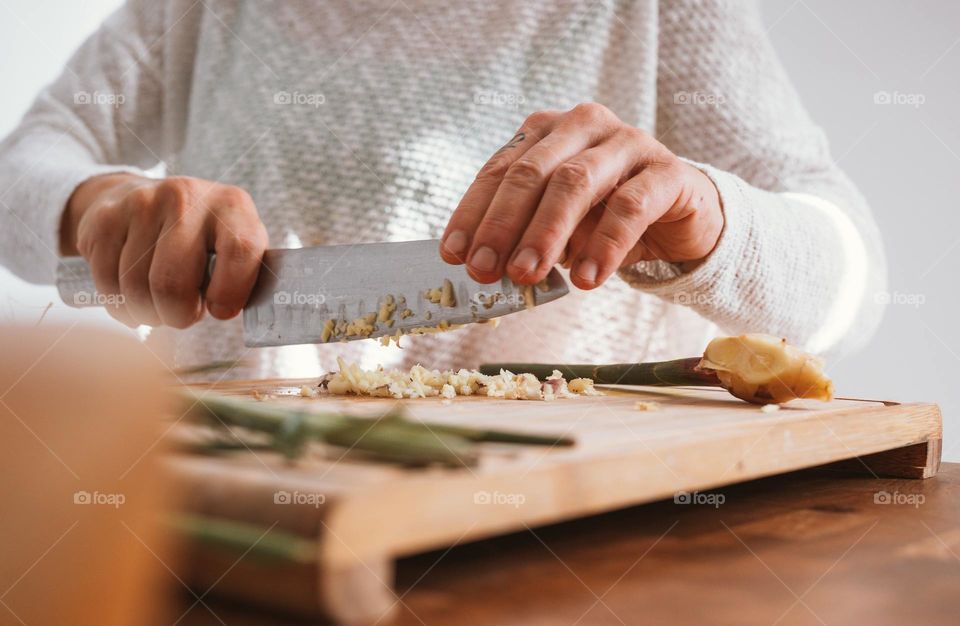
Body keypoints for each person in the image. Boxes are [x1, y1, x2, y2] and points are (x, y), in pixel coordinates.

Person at [0, 0, 885, 378]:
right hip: (228, 529)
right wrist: (95, 205)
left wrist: (716, 224)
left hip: (567, 550)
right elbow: (24, 164)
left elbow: (856, 286)